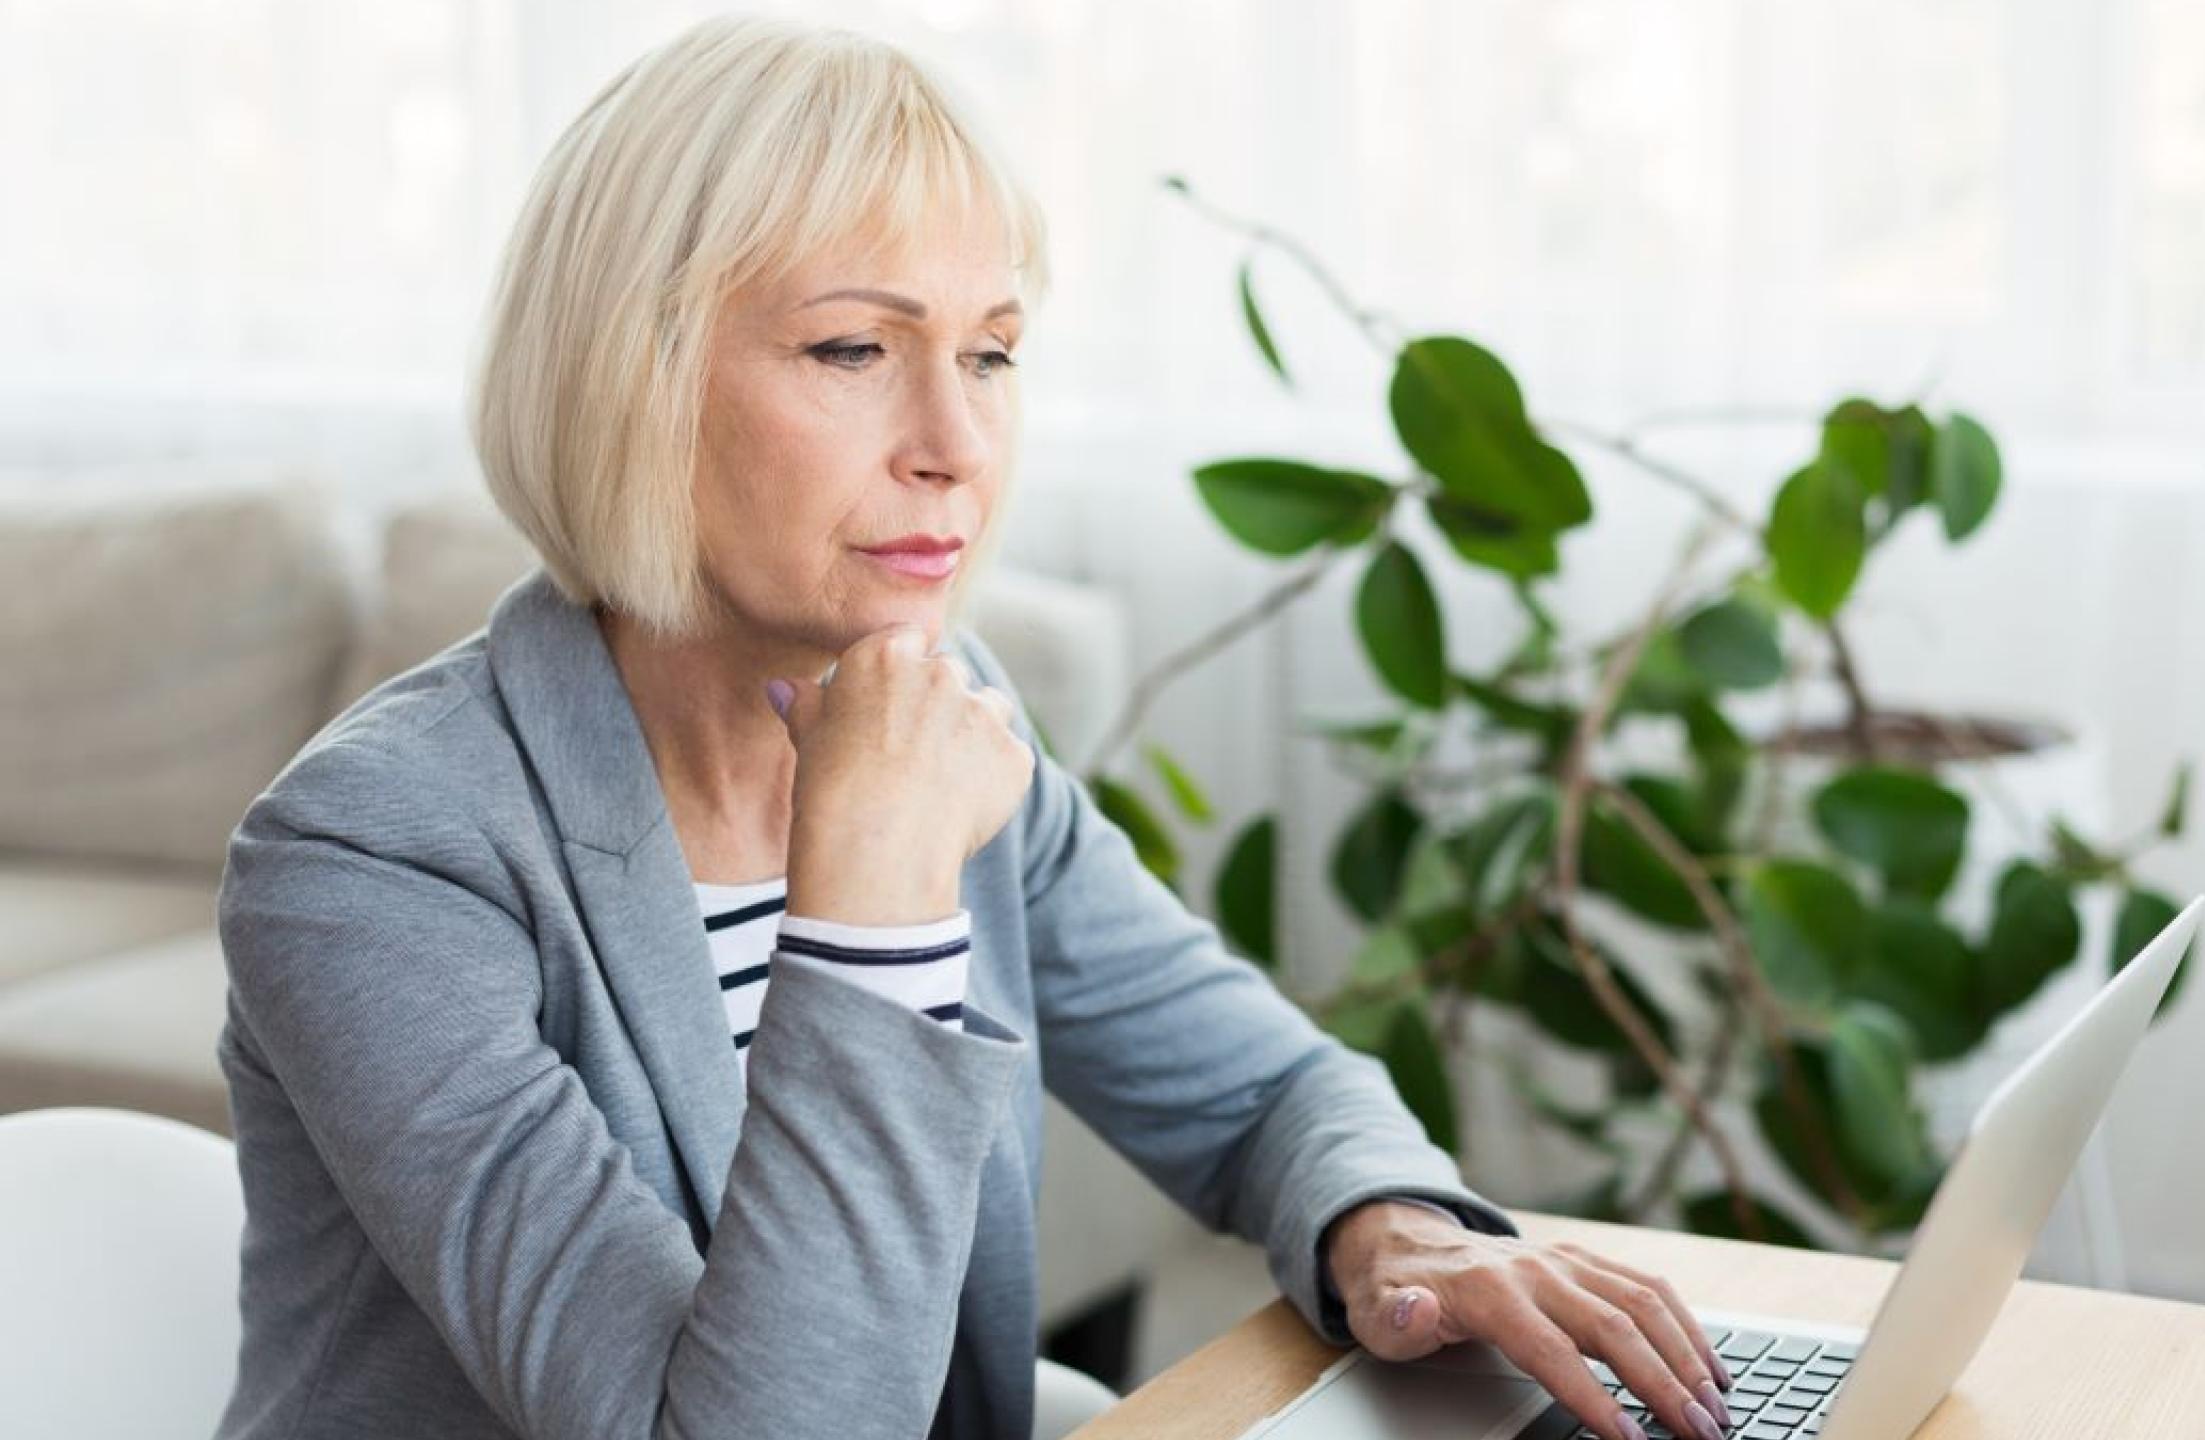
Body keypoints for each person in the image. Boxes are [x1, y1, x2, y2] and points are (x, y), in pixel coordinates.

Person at [210, 15, 1735, 1440]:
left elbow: (1264, 1087)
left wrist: (1391, 1233)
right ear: (635, 380)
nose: (956, 445)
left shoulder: (954, 718)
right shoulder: (371, 857)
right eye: (854, 351)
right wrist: (870, 907)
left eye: (991, 353)